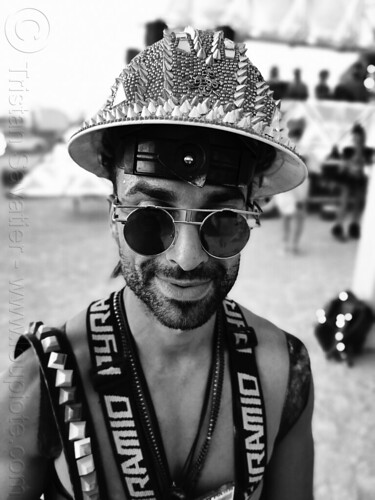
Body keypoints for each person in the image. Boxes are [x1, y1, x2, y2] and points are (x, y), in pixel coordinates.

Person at [0, 27, 314, 499]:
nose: (186, 258)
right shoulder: (39, 387)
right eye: (149, 219)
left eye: (222, 221)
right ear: (114, 215)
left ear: (253, 217)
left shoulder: (284, 371)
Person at [331, 123, 374, 241]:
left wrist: (360, 154)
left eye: (358, 137)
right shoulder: (348, 150)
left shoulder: (368, 151)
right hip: (348, 179)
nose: (356, 139)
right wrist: (350, 164)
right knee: (344, 203)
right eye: (355, 137)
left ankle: (354, 226)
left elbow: (368, 165)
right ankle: (338, 227)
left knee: (358, 203)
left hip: (360, 179)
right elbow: (343, 166)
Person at [273, 118, 310, 254]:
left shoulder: (285, 146)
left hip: (287, 186)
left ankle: (287, 244)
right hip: (296, 187)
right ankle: (292, 244)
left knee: (287, 218)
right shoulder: (301, 149)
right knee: (296, 218)